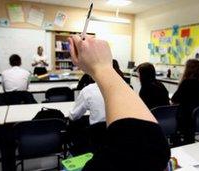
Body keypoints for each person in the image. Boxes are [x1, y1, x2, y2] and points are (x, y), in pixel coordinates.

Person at [68, 35, 170, 171]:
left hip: (97, 136)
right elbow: (151, 150)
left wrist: (100, 68)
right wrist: (104, 68)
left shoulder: (87, 91)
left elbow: (138, 153)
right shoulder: (135, 90)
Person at [69, 60, 126, 125]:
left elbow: (73, 116)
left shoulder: (89, 90)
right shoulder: (127, 89)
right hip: (120, 132)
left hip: (96, 133)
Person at [171, 59, 199, 145]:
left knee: (170, 118)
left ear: (187, 70)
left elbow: (174, 99)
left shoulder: (186, 83)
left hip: (187, 120)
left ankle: (177, 144)